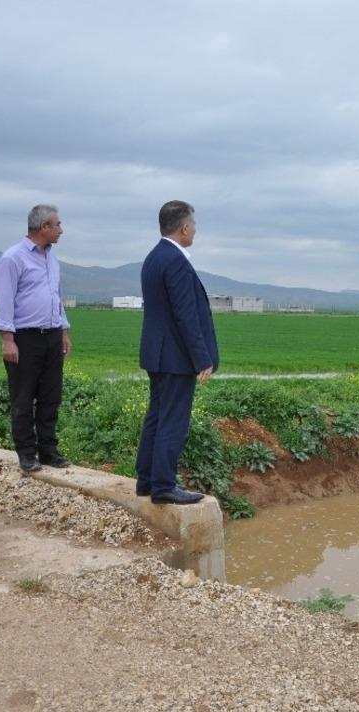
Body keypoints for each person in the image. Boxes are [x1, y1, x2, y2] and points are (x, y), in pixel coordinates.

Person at [135, 200, 219, 504]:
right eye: (193, 224)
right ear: (184, 227)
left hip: (156, 354)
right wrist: (202, 358)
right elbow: (186, 315)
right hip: (175, 358)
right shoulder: (176, 261)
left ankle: (146, 481)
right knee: (173, 420)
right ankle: (164, 486)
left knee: (157, 416)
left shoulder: (154, 257)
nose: (195, 229)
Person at [0, 204, 73, 472]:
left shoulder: (52, 258)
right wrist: (7, 339)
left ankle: (48, 450)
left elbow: (56, 297)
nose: (61, 230)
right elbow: (5, 301)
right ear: (44, 228)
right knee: (23, 397)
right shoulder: (13, 258)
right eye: (58, 225)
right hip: (25, 338)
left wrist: (63, 331)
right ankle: (27, 453)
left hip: (51, 336)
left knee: (51, 396)